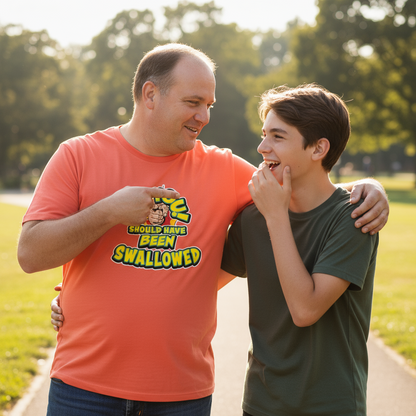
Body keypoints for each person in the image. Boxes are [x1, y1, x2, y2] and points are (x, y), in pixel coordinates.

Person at [18, 43, 387, 416]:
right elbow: (31, 254)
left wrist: (369, 187)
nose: (204, 117)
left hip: (182, 395)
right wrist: (109, 213)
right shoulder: (77, 155)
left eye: (209, 105)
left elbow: (303, 187)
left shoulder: (227, 170)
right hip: (83, 388)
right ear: (150, 94)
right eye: (193, 102)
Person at [221, 84, 380, 416]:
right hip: (260, 404)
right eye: (265, 135)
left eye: (278, 137)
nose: (262, 147)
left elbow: (305, 310)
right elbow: (198, 283)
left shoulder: (353, 217)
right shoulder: (252, 217)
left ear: (318, 148)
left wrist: (276, 216)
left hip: (330, 406)